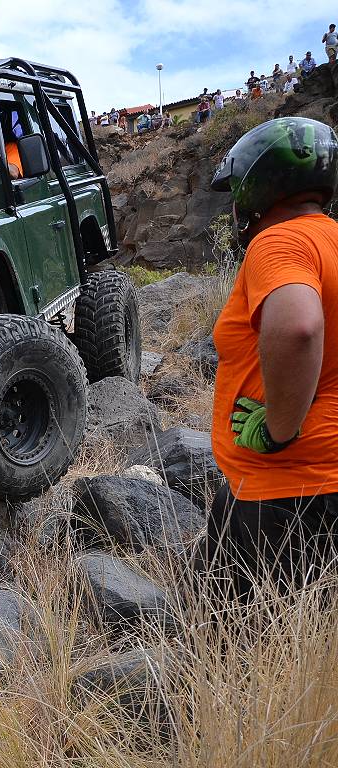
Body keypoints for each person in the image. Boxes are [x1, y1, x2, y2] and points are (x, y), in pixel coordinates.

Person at [204, 116, 338, 600]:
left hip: (285, 491)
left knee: (235, 647)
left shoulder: (280, 240)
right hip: (318, 481)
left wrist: (279, 430)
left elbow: (299, 326)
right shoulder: (331, 240)